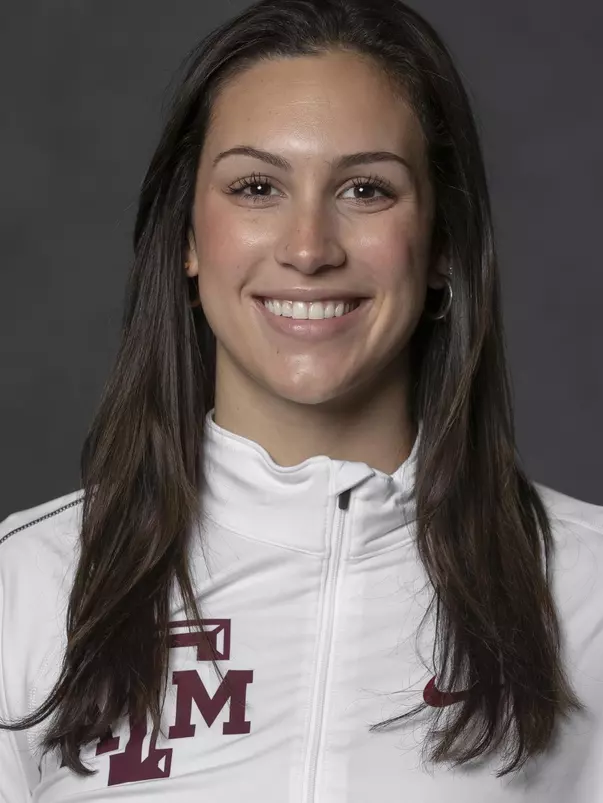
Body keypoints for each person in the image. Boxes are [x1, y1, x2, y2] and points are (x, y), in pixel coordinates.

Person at [1, 0, 602, 799]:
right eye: (256, 187)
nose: (309, 248)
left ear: (442, 244)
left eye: (365, 188)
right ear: (187, 237)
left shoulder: (586, 592)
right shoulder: (28, 587)